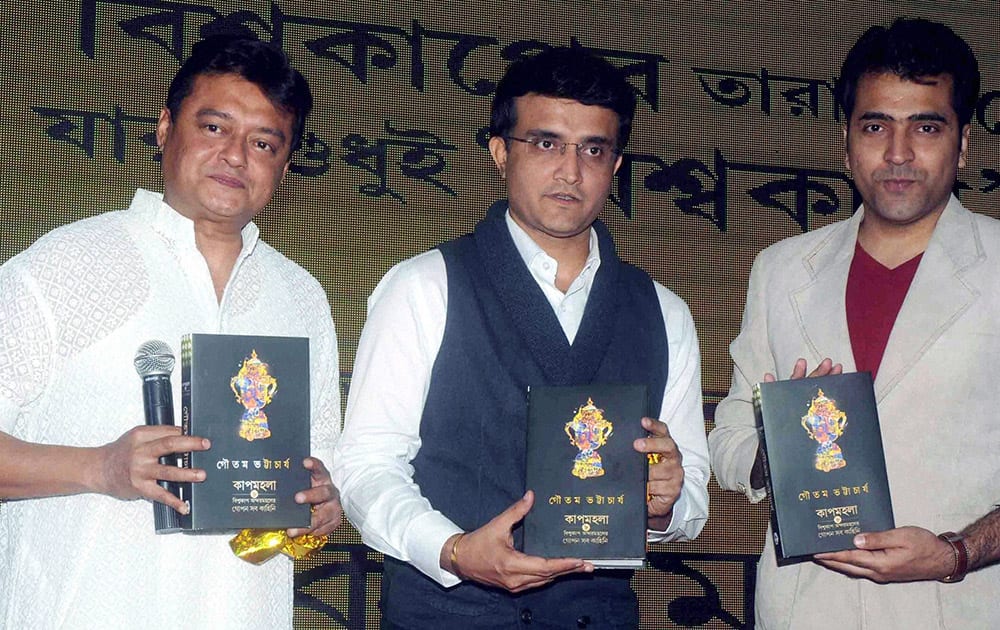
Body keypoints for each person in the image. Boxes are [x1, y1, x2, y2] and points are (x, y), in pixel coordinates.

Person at [332, 46, 709, 628]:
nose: (570, 170)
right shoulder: (424, 286)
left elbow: (690, 497)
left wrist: (664, 504)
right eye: (546, 142)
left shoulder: (664, 312)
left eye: (593, 149)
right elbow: (365, 464)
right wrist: (452, 549)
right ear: (500, 152)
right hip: (445, 613)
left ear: (616, 165)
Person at [0, 36, 342, 628]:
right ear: (164, 128)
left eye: (264, 143)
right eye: (214, 128)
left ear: (284, 168)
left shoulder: (301, 297)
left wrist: (323, 503)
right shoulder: (63, 264)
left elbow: (320, 468)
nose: (236, 156)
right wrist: (102, 467)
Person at [708, 18, 1000, 628]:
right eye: (875, 126)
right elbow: (730, 434)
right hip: (806, 609)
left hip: (959, 606)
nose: (898, 153)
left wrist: (956, 552)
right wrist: (779, 450)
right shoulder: (782, 269)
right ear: (846, 142)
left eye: (926, 126)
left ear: (963, 143)